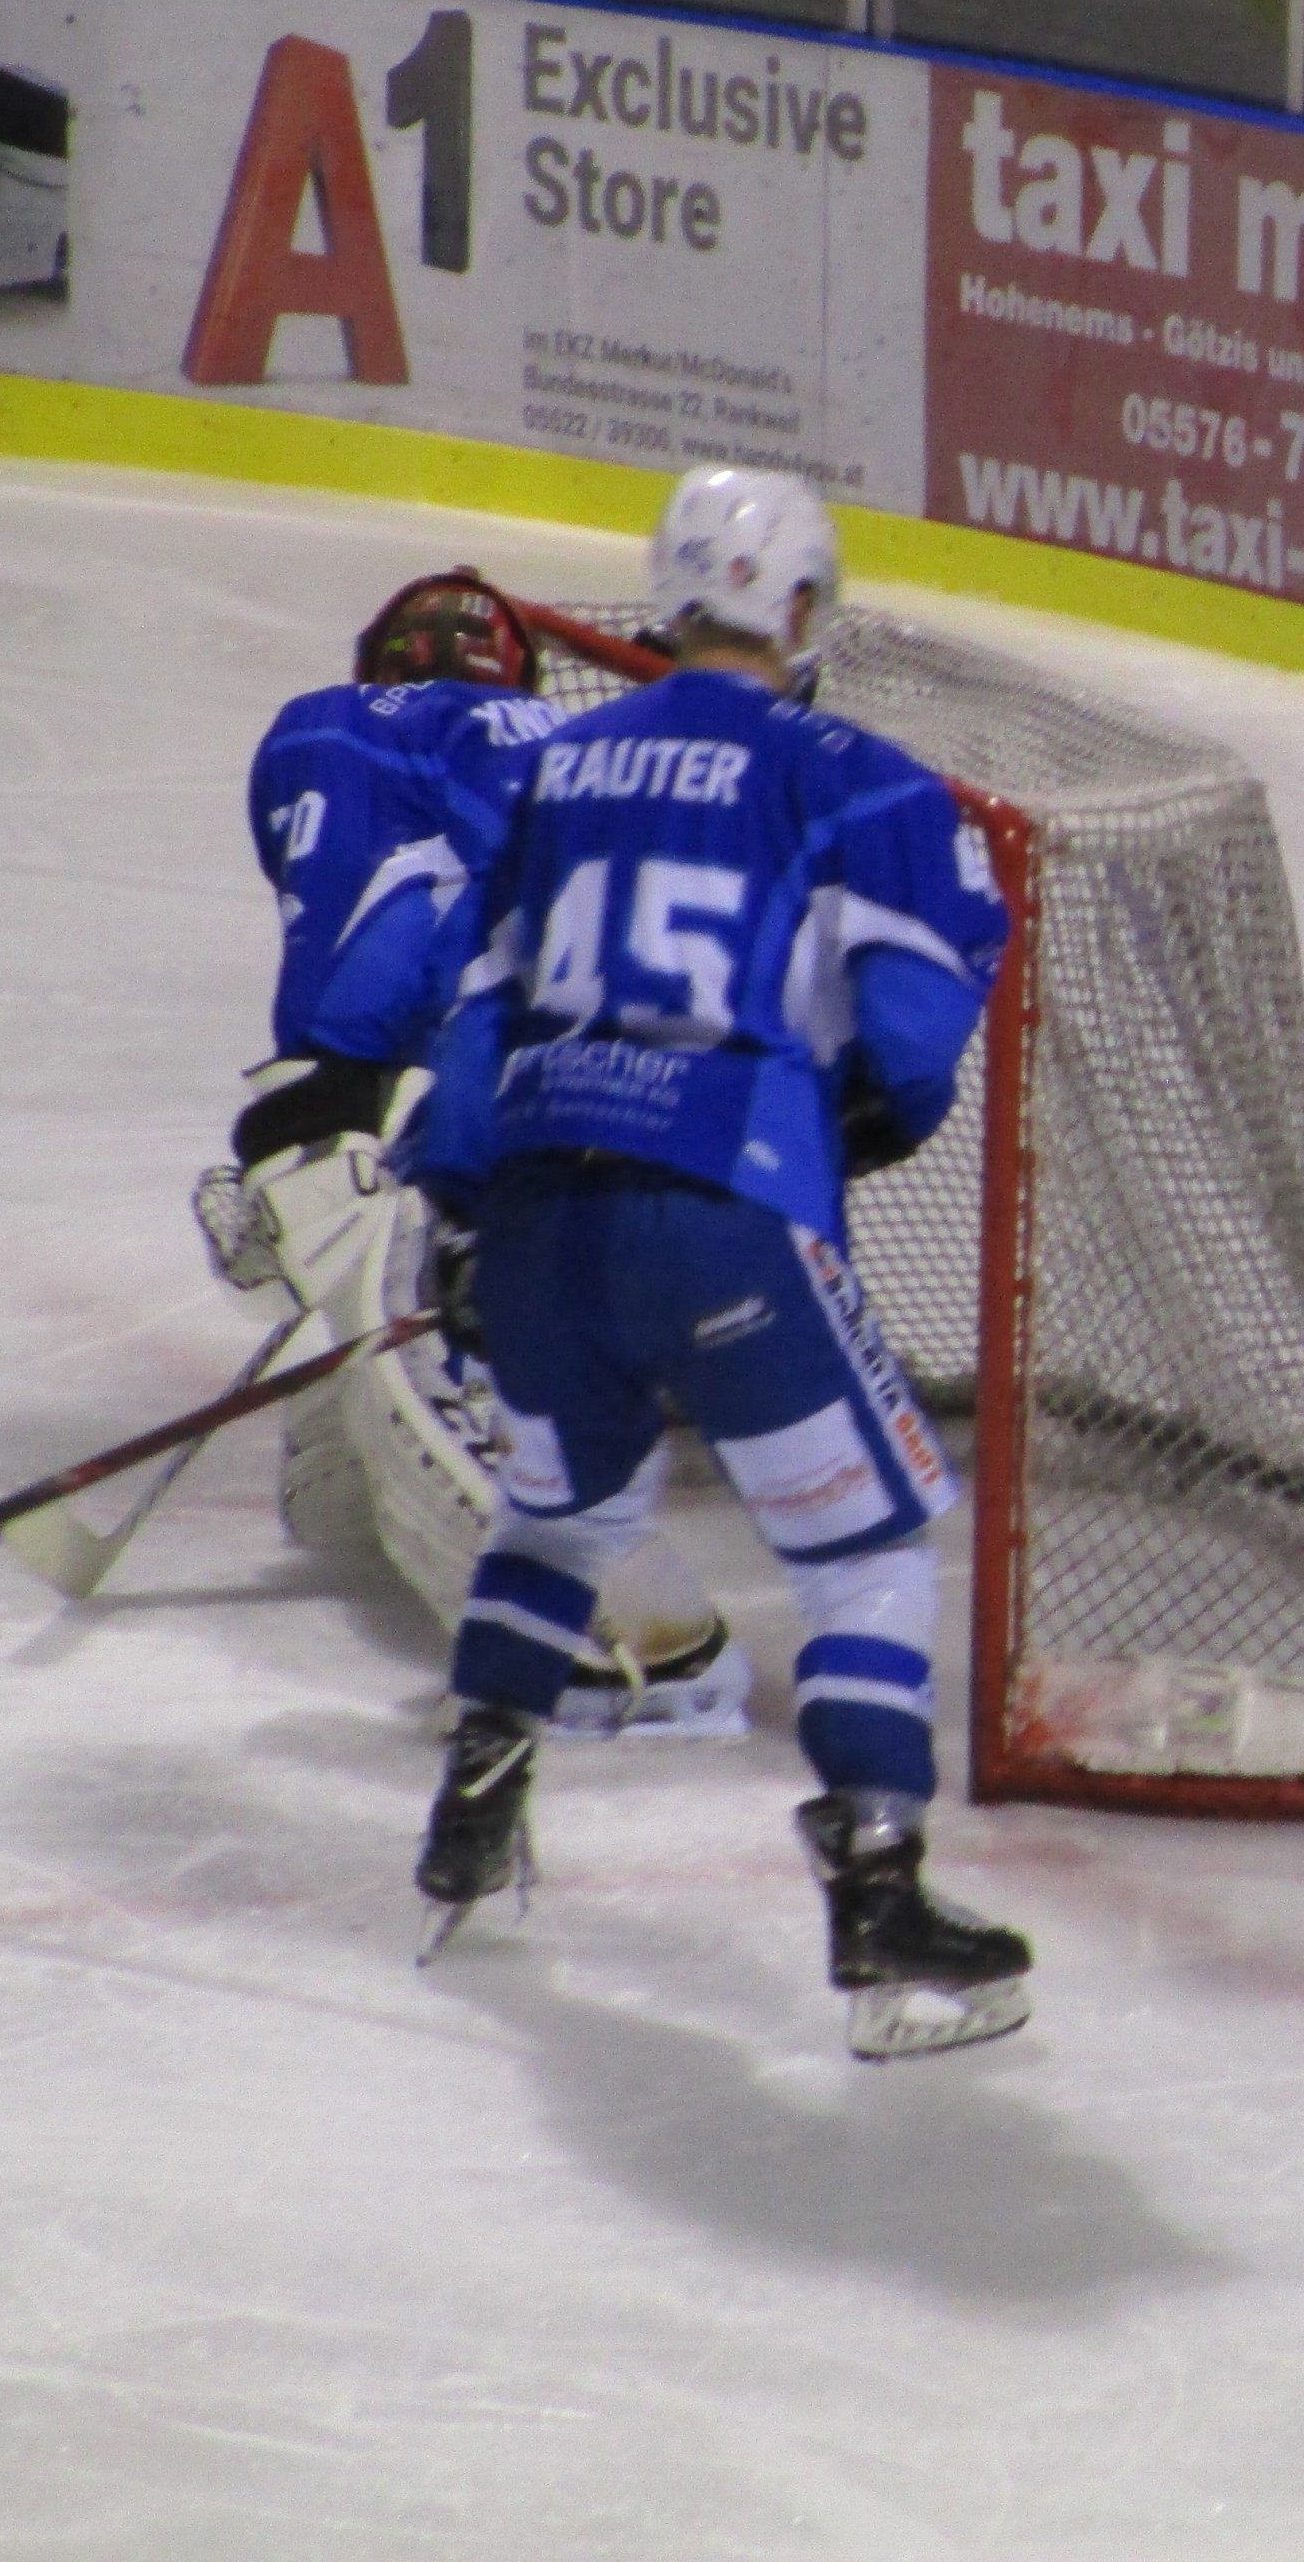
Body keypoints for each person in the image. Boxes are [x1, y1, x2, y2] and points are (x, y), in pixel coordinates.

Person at [402, 467, 1029, 2059]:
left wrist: (468, 1213)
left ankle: (477, 1799)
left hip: (541, 1211)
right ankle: (878, 1889)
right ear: (804, 610)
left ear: (669, 598)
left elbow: (475, 1021)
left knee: (558, 1518)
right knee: (863, 1555)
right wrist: (838, 1131)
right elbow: (907, 1041)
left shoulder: (552, 766)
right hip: (721, 1206)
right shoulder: (863, 782)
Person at [197, 570, 746, 1734]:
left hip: (400, 1087)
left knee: (402, 1341)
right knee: (337, 1487)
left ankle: (593, 1629)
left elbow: (400, 924)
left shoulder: (310, 725)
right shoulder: (574, 741)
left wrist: (324, 1106)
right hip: (594, 1088)